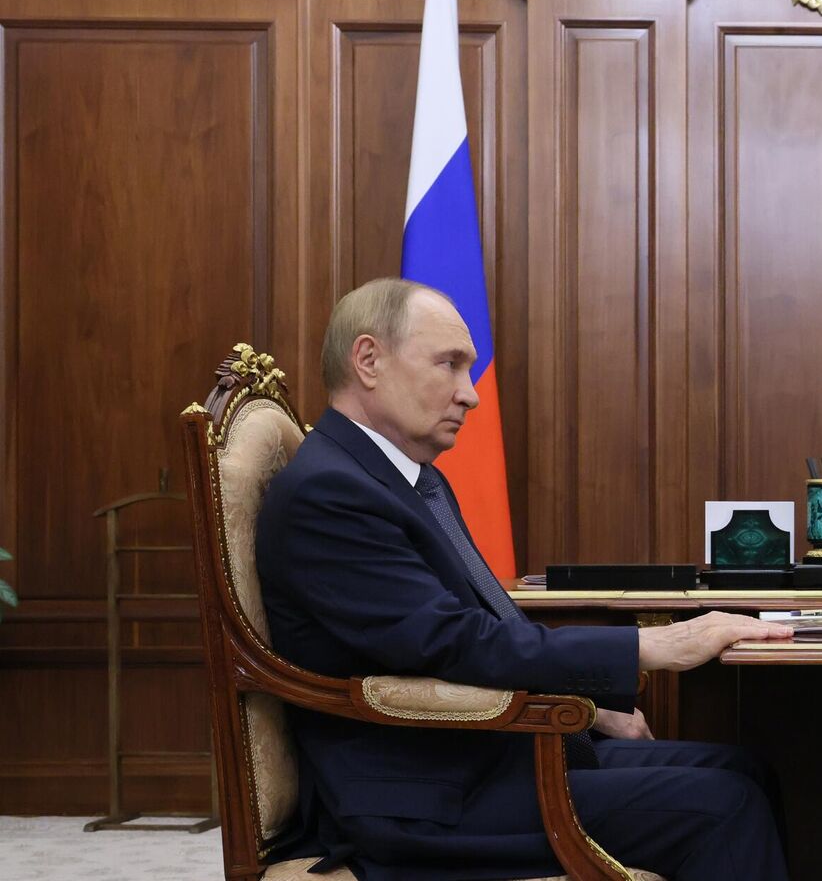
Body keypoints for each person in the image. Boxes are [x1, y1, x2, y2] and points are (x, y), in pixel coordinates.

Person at [257, 277, 794, 881]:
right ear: (368, 360)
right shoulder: (330, 494)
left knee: (744, 770)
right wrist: (649, 645)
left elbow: (476, 627)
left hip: (484, 755)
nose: (471, 394)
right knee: (726, 807)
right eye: (449, 364)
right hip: (422, 798)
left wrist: (590, 709)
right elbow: (451, 643)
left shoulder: (407, 478)